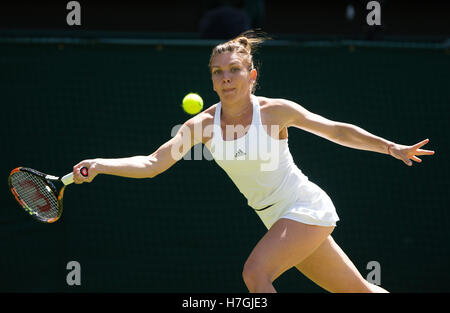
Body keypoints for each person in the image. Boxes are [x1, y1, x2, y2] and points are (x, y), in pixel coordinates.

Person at [73, 30, 435, 293]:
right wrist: (101, 164)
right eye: (218, 72)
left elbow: (336, 131)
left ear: (252, 75)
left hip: (305, 206)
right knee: (358, 292)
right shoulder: (200, 126)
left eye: (233, 69)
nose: (226, 77)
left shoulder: (275, 111)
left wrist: (390, 146)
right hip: (275, 218)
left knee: (254, 274)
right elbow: (153, 164)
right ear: (212, 80)